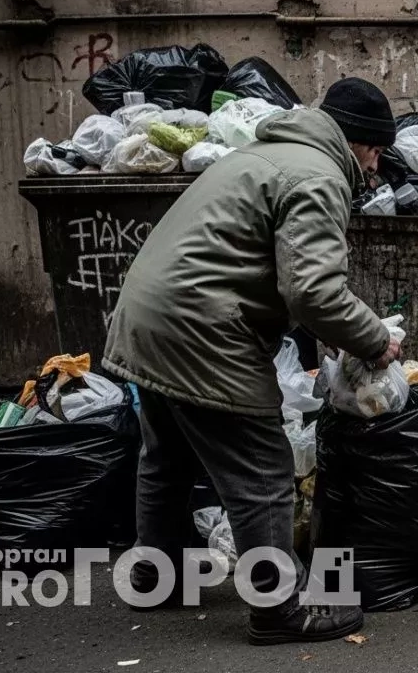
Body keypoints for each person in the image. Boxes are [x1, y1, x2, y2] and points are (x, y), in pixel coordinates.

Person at [102, 77, 401, 645]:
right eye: (377, 151)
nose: (376, 167)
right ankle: (280, 606)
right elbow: (312, 291)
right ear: (360, 141)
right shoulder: (319, 175)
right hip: (201, 325)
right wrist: (372, 340)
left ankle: (157, 575)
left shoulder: (264, 152)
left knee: (168, 455)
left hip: (149, 314)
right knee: (262, 466)